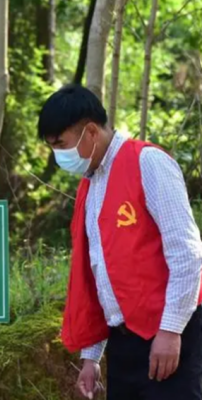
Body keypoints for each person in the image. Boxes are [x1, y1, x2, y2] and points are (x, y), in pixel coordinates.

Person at [38, 84, 202, 400]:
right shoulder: (91, 185)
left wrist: (170, 331)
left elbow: (187, 252)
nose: (58, 156)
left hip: (169, 334)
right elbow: (99, 275)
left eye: (61, 145)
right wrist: (92, 355)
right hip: (124, 342)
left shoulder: (148, 162)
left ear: (90, 132)